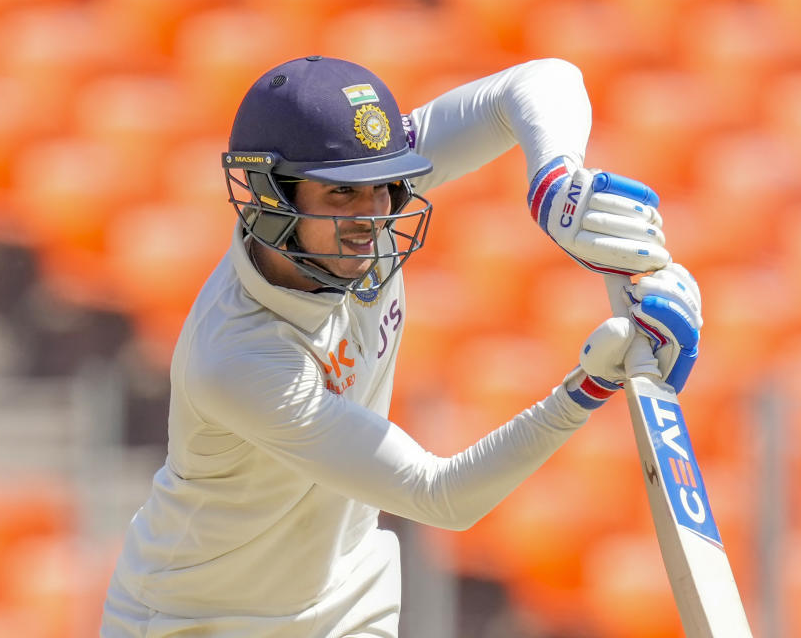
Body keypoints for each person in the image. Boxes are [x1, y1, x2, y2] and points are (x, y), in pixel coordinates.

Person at [99, 56, 703, 637]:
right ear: (269, 195)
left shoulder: (365, 199)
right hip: (198, 622)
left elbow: (544, 80)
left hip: (348, 602)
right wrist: (588, 388)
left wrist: (556, 181)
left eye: (384, 187)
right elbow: (440, 496)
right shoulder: (240, 357)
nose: (373, 217)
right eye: (341, 195)